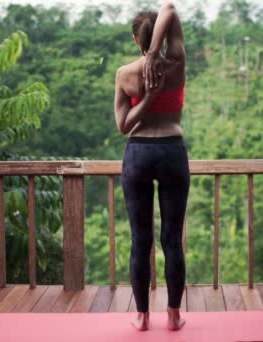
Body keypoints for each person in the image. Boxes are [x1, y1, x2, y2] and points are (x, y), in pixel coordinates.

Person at [113, 0, 188, 332]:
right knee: (171, 239)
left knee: (139, 240)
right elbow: (170, 7)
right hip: (171, 150)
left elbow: (123, 125)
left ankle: (142, 317)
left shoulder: (125, 74)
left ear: (134, 40)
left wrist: (144, 98)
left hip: (139, 154)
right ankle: (173, 316)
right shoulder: (177, 64)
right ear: (163, 34)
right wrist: (159, 56)